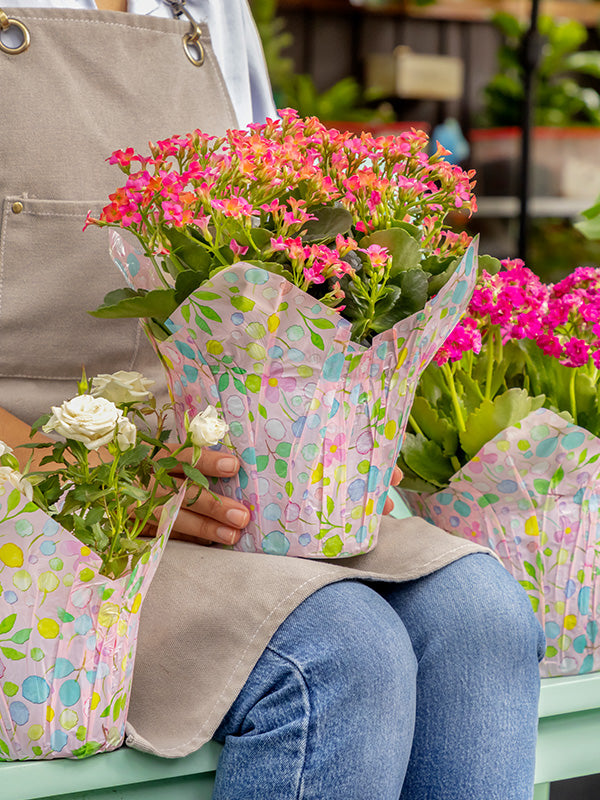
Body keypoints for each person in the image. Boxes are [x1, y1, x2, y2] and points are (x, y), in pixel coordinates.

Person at [0, 1, 545, 797]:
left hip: (208, 477)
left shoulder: (208, 10)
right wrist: (83, 474)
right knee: (340, 654)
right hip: (44, 509)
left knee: (483, 618)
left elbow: (262, 267)